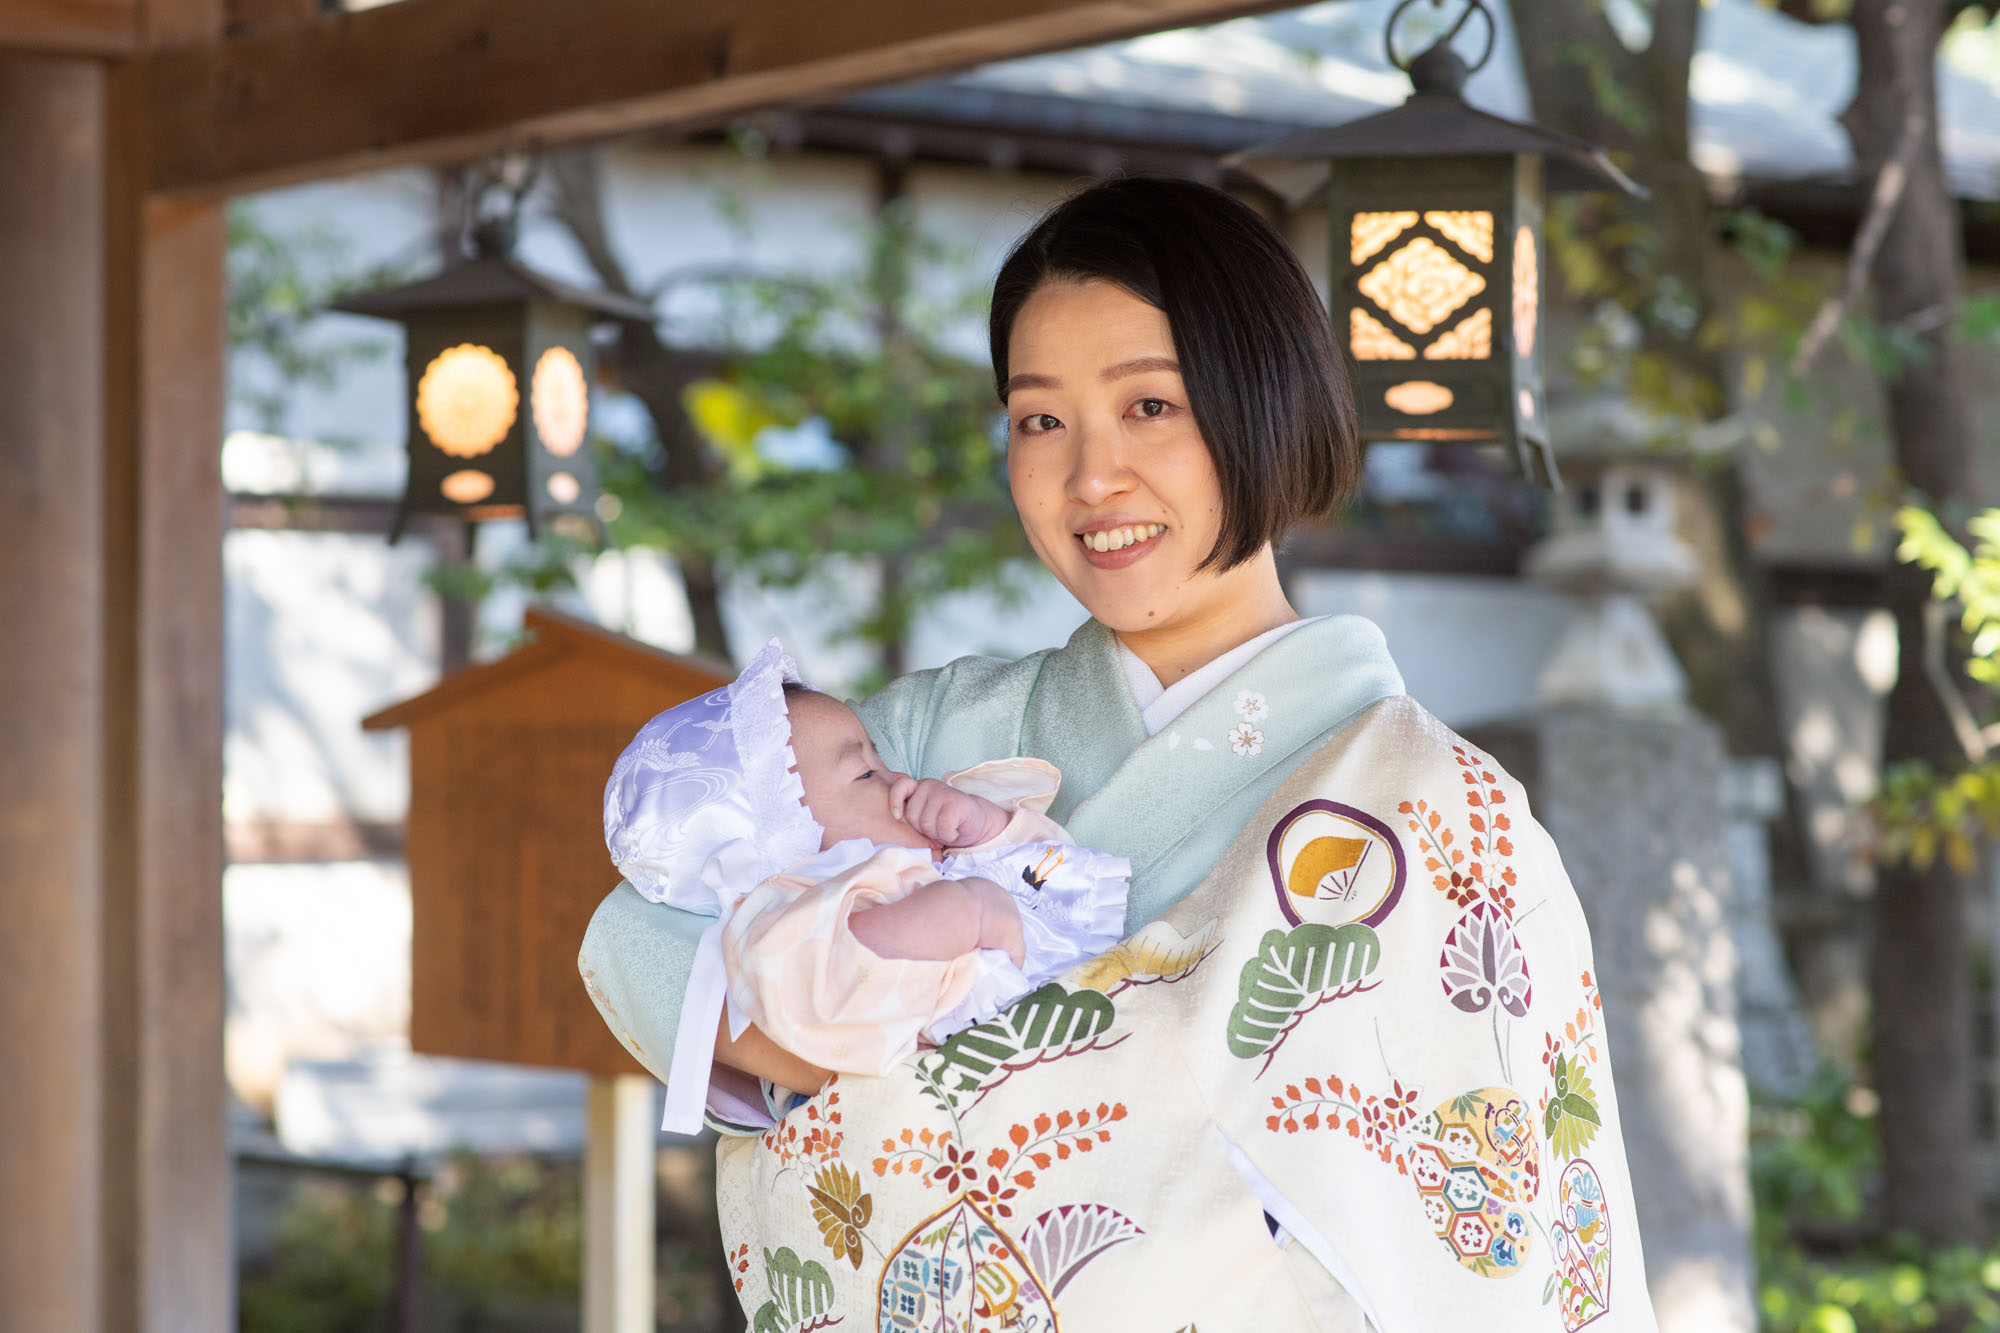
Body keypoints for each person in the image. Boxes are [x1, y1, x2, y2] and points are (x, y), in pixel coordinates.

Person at [579, 177, 1659, 1331]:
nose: (1090, 477)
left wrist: (925, 1046)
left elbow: (1493, 1247)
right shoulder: (924, 736)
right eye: (1040, 419)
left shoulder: (1434, 806)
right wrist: (849, 1028)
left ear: (1265, 403)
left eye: (1150, 406)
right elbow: (636, 926)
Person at [599, 640, 1128, 1130]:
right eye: (866, 775)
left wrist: (982, 826)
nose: (900, 781)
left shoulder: (900, 869)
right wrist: (964, 911)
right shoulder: (789, 917)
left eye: (880, 760)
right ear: (784, 837)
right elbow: (852, 968)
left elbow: (1040, 871)